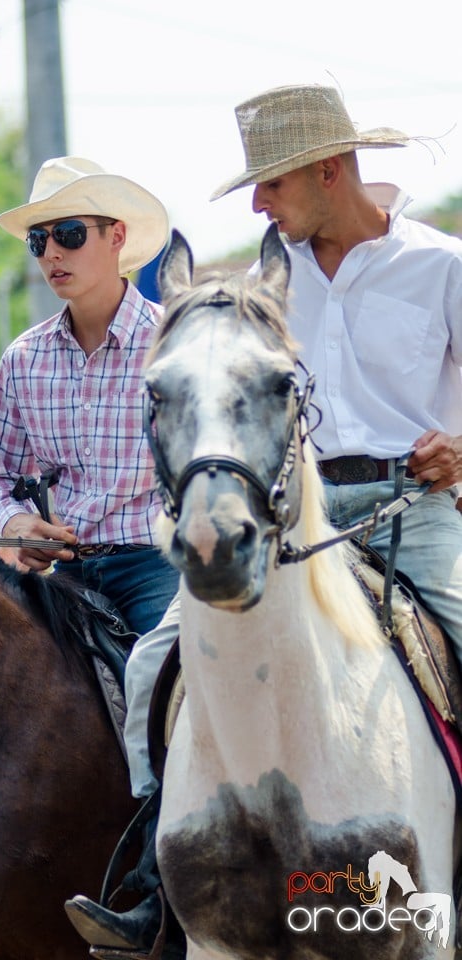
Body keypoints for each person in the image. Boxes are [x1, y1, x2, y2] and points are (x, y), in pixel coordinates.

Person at [68, 82, 462, 954]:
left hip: (416, 511)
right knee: (150, 665)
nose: (257, 203)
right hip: (290, 522)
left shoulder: (443, 267)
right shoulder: (264, 287)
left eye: (270, 184)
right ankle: (151, 885)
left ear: (330, 170)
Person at [0, 155, 180, 637]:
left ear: (117, 237)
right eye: (38, 239)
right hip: (65, 576)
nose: (52, 253)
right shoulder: (22, 359)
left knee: (162, 690)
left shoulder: (177, 342)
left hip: (161, 567)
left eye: (68, 233)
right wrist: (17, 525)